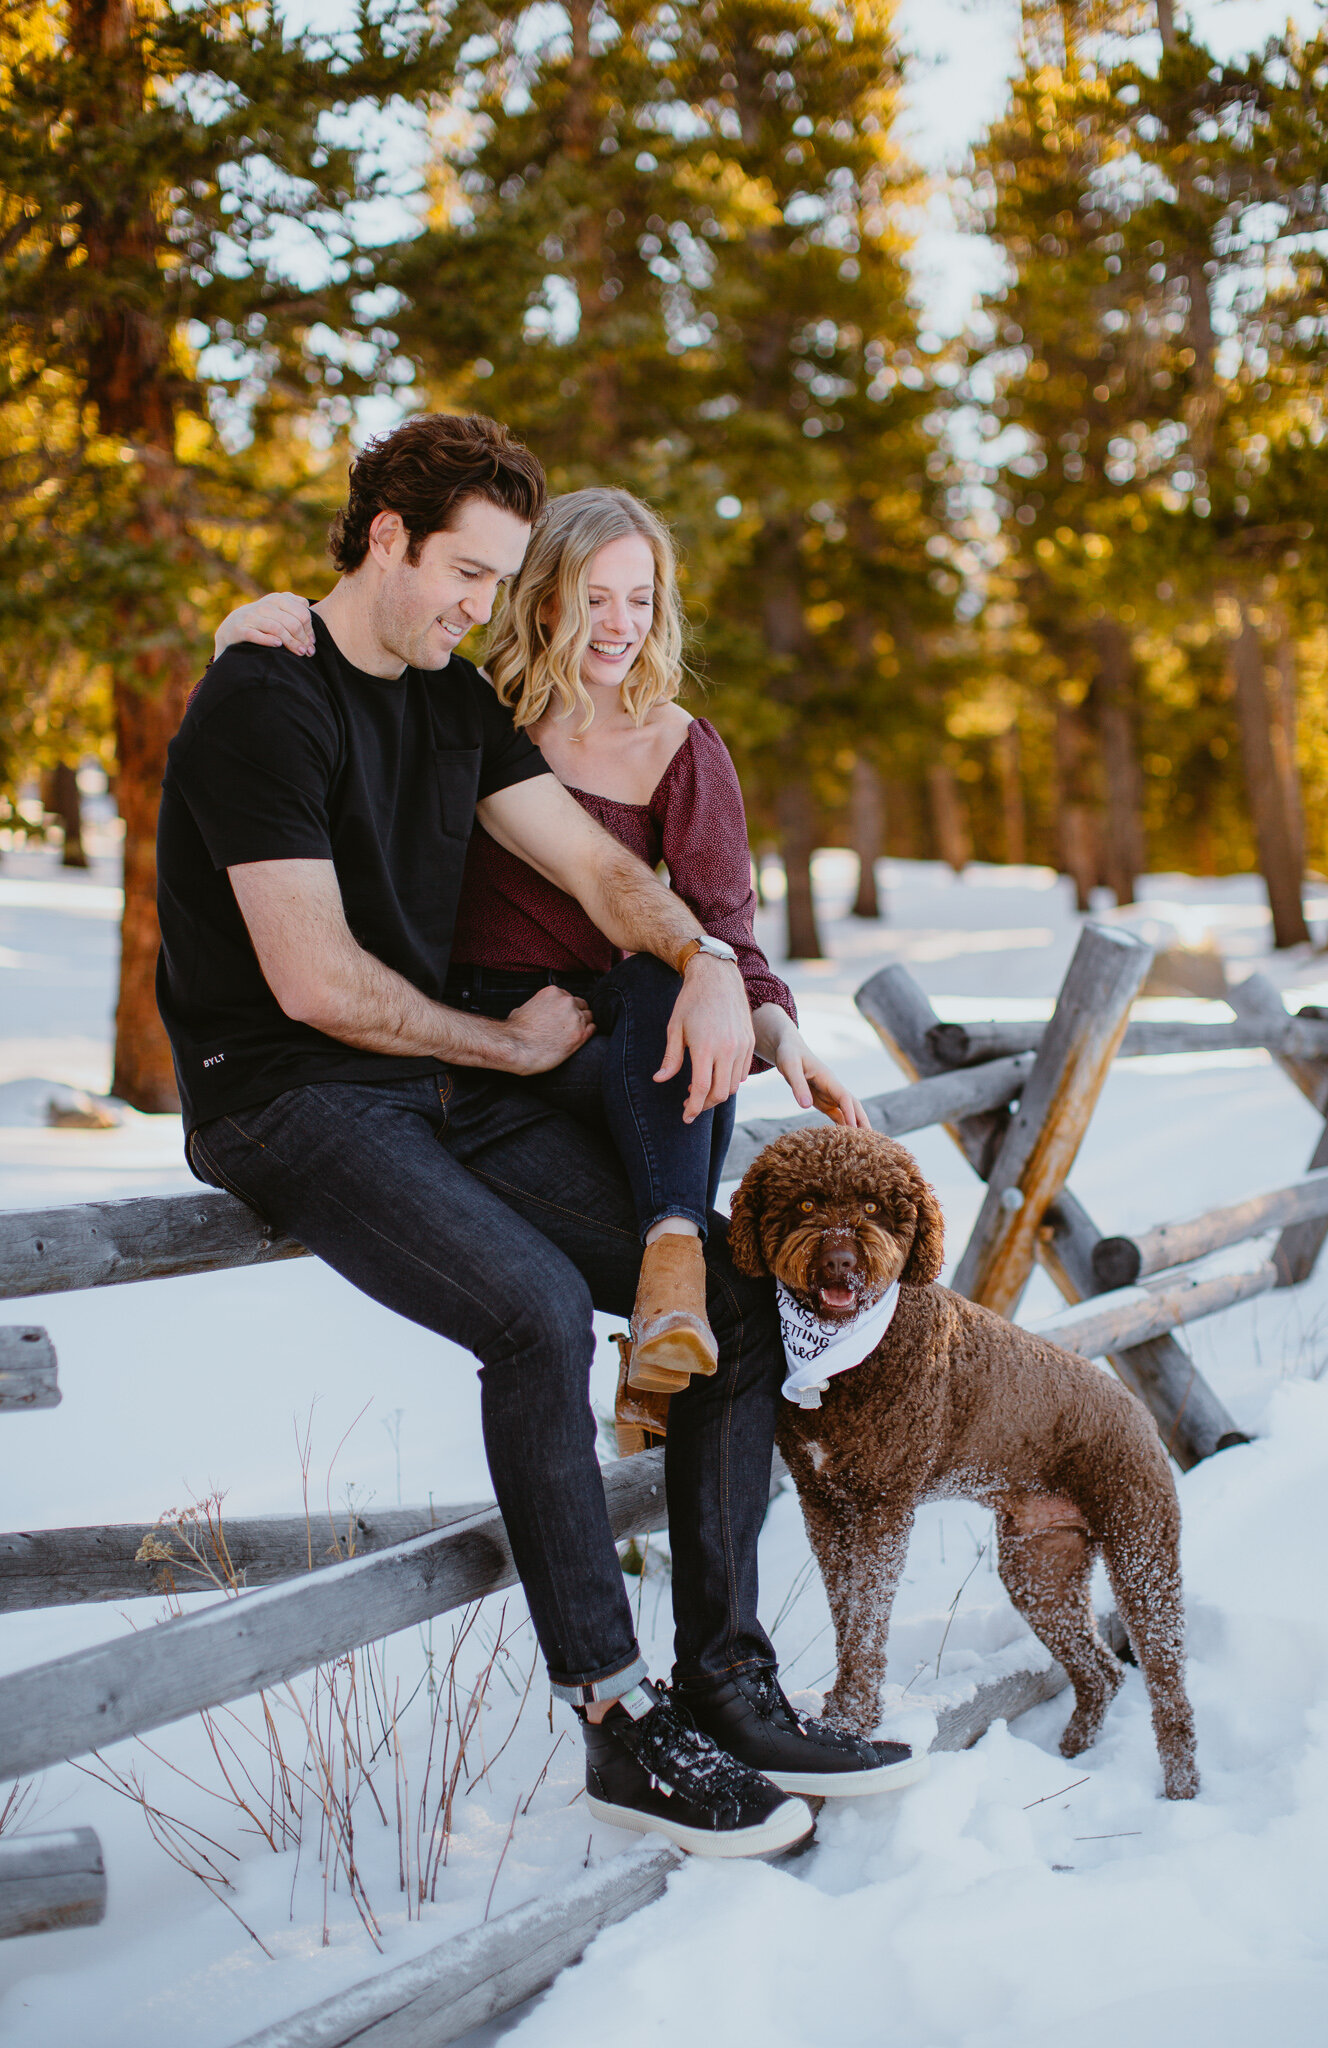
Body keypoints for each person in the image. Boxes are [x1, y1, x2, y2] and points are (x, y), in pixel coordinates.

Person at [161, 412, 921, 1861]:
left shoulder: (449, 701)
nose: (479, 606)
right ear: (384, 539)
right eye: (464, 571)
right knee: (525, 1316)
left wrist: (702, 961)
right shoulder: (264, 698)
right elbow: (314, 984)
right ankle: (617, 1719)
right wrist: (506, 1044)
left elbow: (591, 865)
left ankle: (730, 1685)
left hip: (442, 1093)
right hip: (289, 1095)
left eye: (502, 579)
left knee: (732, 1320)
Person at [216, 487, 866, 1422]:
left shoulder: (679, 745)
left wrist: (777, 1032)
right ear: (544, 595)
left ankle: (669, 1283)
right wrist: (247, 628)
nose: (621, 624)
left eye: (640, 599)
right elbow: (351, 666)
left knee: (669, 984)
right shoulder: (468, 707)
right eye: (596, 596)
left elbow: (726, 931)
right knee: (669, 1001)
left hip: (605, 1031)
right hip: (474, 1029)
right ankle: (663, 1297)